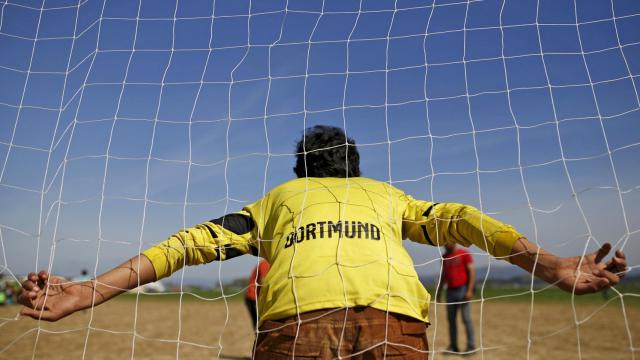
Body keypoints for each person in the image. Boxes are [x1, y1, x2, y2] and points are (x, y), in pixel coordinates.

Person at [18, 125, 627, 359]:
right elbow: (465, 219)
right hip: (395, 328)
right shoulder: (389, 198)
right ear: (355, 167)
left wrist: (88, 292)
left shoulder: (276, 202)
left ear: (300, 170)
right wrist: (551, 266)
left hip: (295, 330)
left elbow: (185, 245)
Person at [436, 243, 475, 355]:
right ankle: (453, 346)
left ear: (453, 241)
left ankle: (471, 346)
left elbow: (471, 272)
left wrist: (469, 290)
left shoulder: (464, 254)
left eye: (447, 241)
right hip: (450, 291)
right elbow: (443, 275)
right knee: (451, 320)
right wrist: (439, 293)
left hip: (463, 289)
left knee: (466, 318)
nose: (445, 244)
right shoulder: (444, 257)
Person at [245, 259, 270, 329]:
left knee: (259, 324)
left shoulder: (266, 263)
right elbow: (263, 281)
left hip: (254, 297)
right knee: (260, 324)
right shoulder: (265, 263)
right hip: (253, 297)